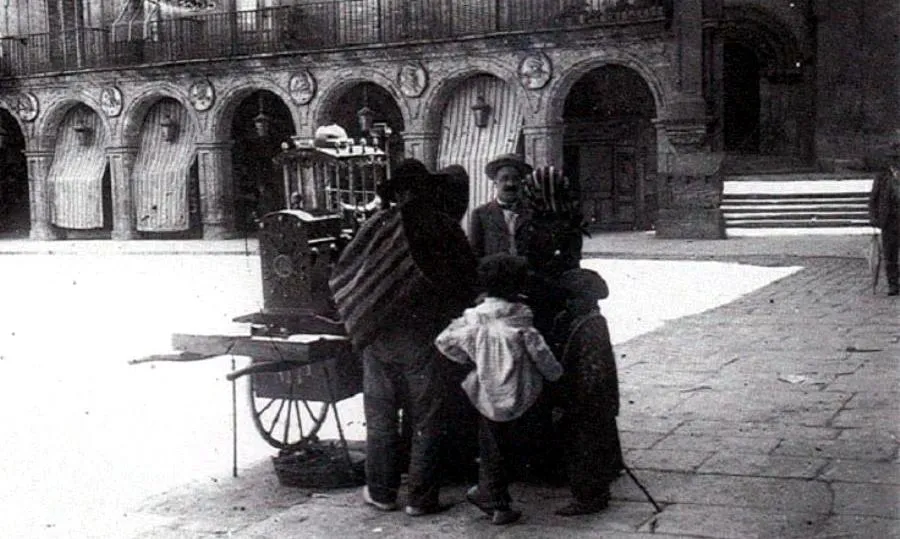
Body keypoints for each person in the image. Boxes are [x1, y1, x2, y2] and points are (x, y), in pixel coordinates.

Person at [329, 158, 478, 516]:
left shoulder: (377, 225)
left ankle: (381, 492)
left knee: (380, 418)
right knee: (426, 419)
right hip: (424, 338)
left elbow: (346, 273)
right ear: (425, 189)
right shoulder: (444, 226)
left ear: (397, 192)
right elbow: (467, 281)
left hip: (376, 335)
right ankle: (421, 498)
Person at [435, 253, 563, 525]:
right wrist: (557, 375)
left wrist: (471, 359)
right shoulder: (522, 320)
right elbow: (543, 357)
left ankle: (493, 497)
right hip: (521, 392)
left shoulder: (474, 319)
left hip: (487, 393)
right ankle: (496, 500)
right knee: (509, 446)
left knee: (490, 445)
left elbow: (444, 342)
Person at [550, 267, 624, 516]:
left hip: (588, 403)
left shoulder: (590, 327)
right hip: (592, 401)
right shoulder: (586, 321)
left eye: (572, 299)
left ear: (585, 299)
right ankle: (596, 491)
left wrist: (573, 403)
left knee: (584, 450)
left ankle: (589, 497)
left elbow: (591, 373)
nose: (568, 303)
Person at [469, 154, 534, 259]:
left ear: (521, 183)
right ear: (495, 182)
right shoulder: (481, 214)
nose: (510, 184)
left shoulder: (532, 212)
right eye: (504, 178)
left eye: (515, 179)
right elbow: (475, 255)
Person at [868, 141, 900, 296]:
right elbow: (873, 198)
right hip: (889, 222)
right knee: (890, 255)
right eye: (894, 158)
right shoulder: (882, 177)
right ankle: (893, 285)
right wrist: (874, 218)